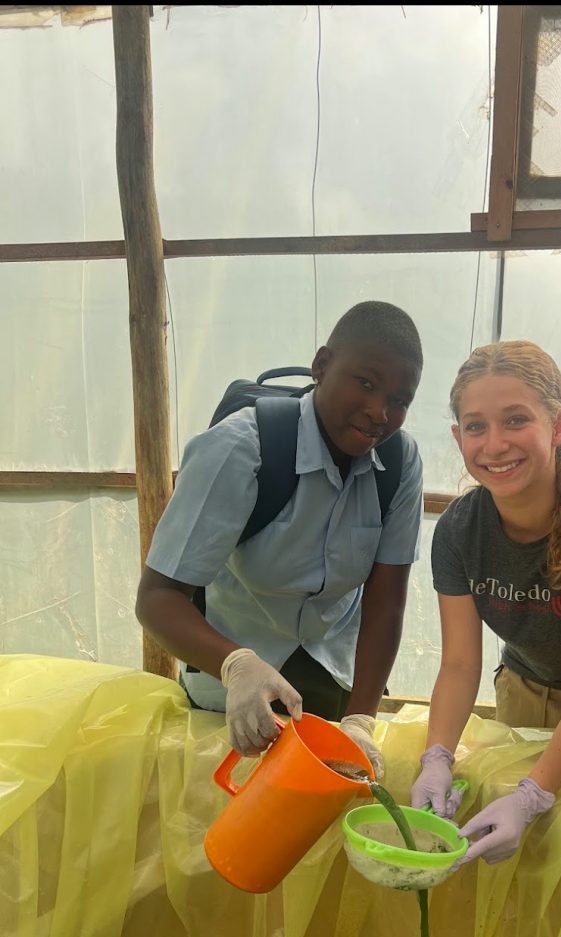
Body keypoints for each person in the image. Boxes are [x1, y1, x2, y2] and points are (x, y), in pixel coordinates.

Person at [136, 300, 425, 775]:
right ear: (322, 365)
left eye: (400, 400)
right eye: (366, 384)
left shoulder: (398, 463)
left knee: (319, 821)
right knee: (223, 808)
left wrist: (359, 719)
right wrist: (236, 666)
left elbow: (386, 602)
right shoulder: (240, 449)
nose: (379, 412)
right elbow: (157, 598)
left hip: (332, 676)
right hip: (230, 680)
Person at [410, 339, 561, 864]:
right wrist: (437, 757)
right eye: (476, 426)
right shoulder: (459, 530)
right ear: (458, 437)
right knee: (523, 863)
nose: (495, 444)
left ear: (558, 426)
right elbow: (457, 664)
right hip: (525, 689)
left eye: (516, 420)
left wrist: (531, 795)